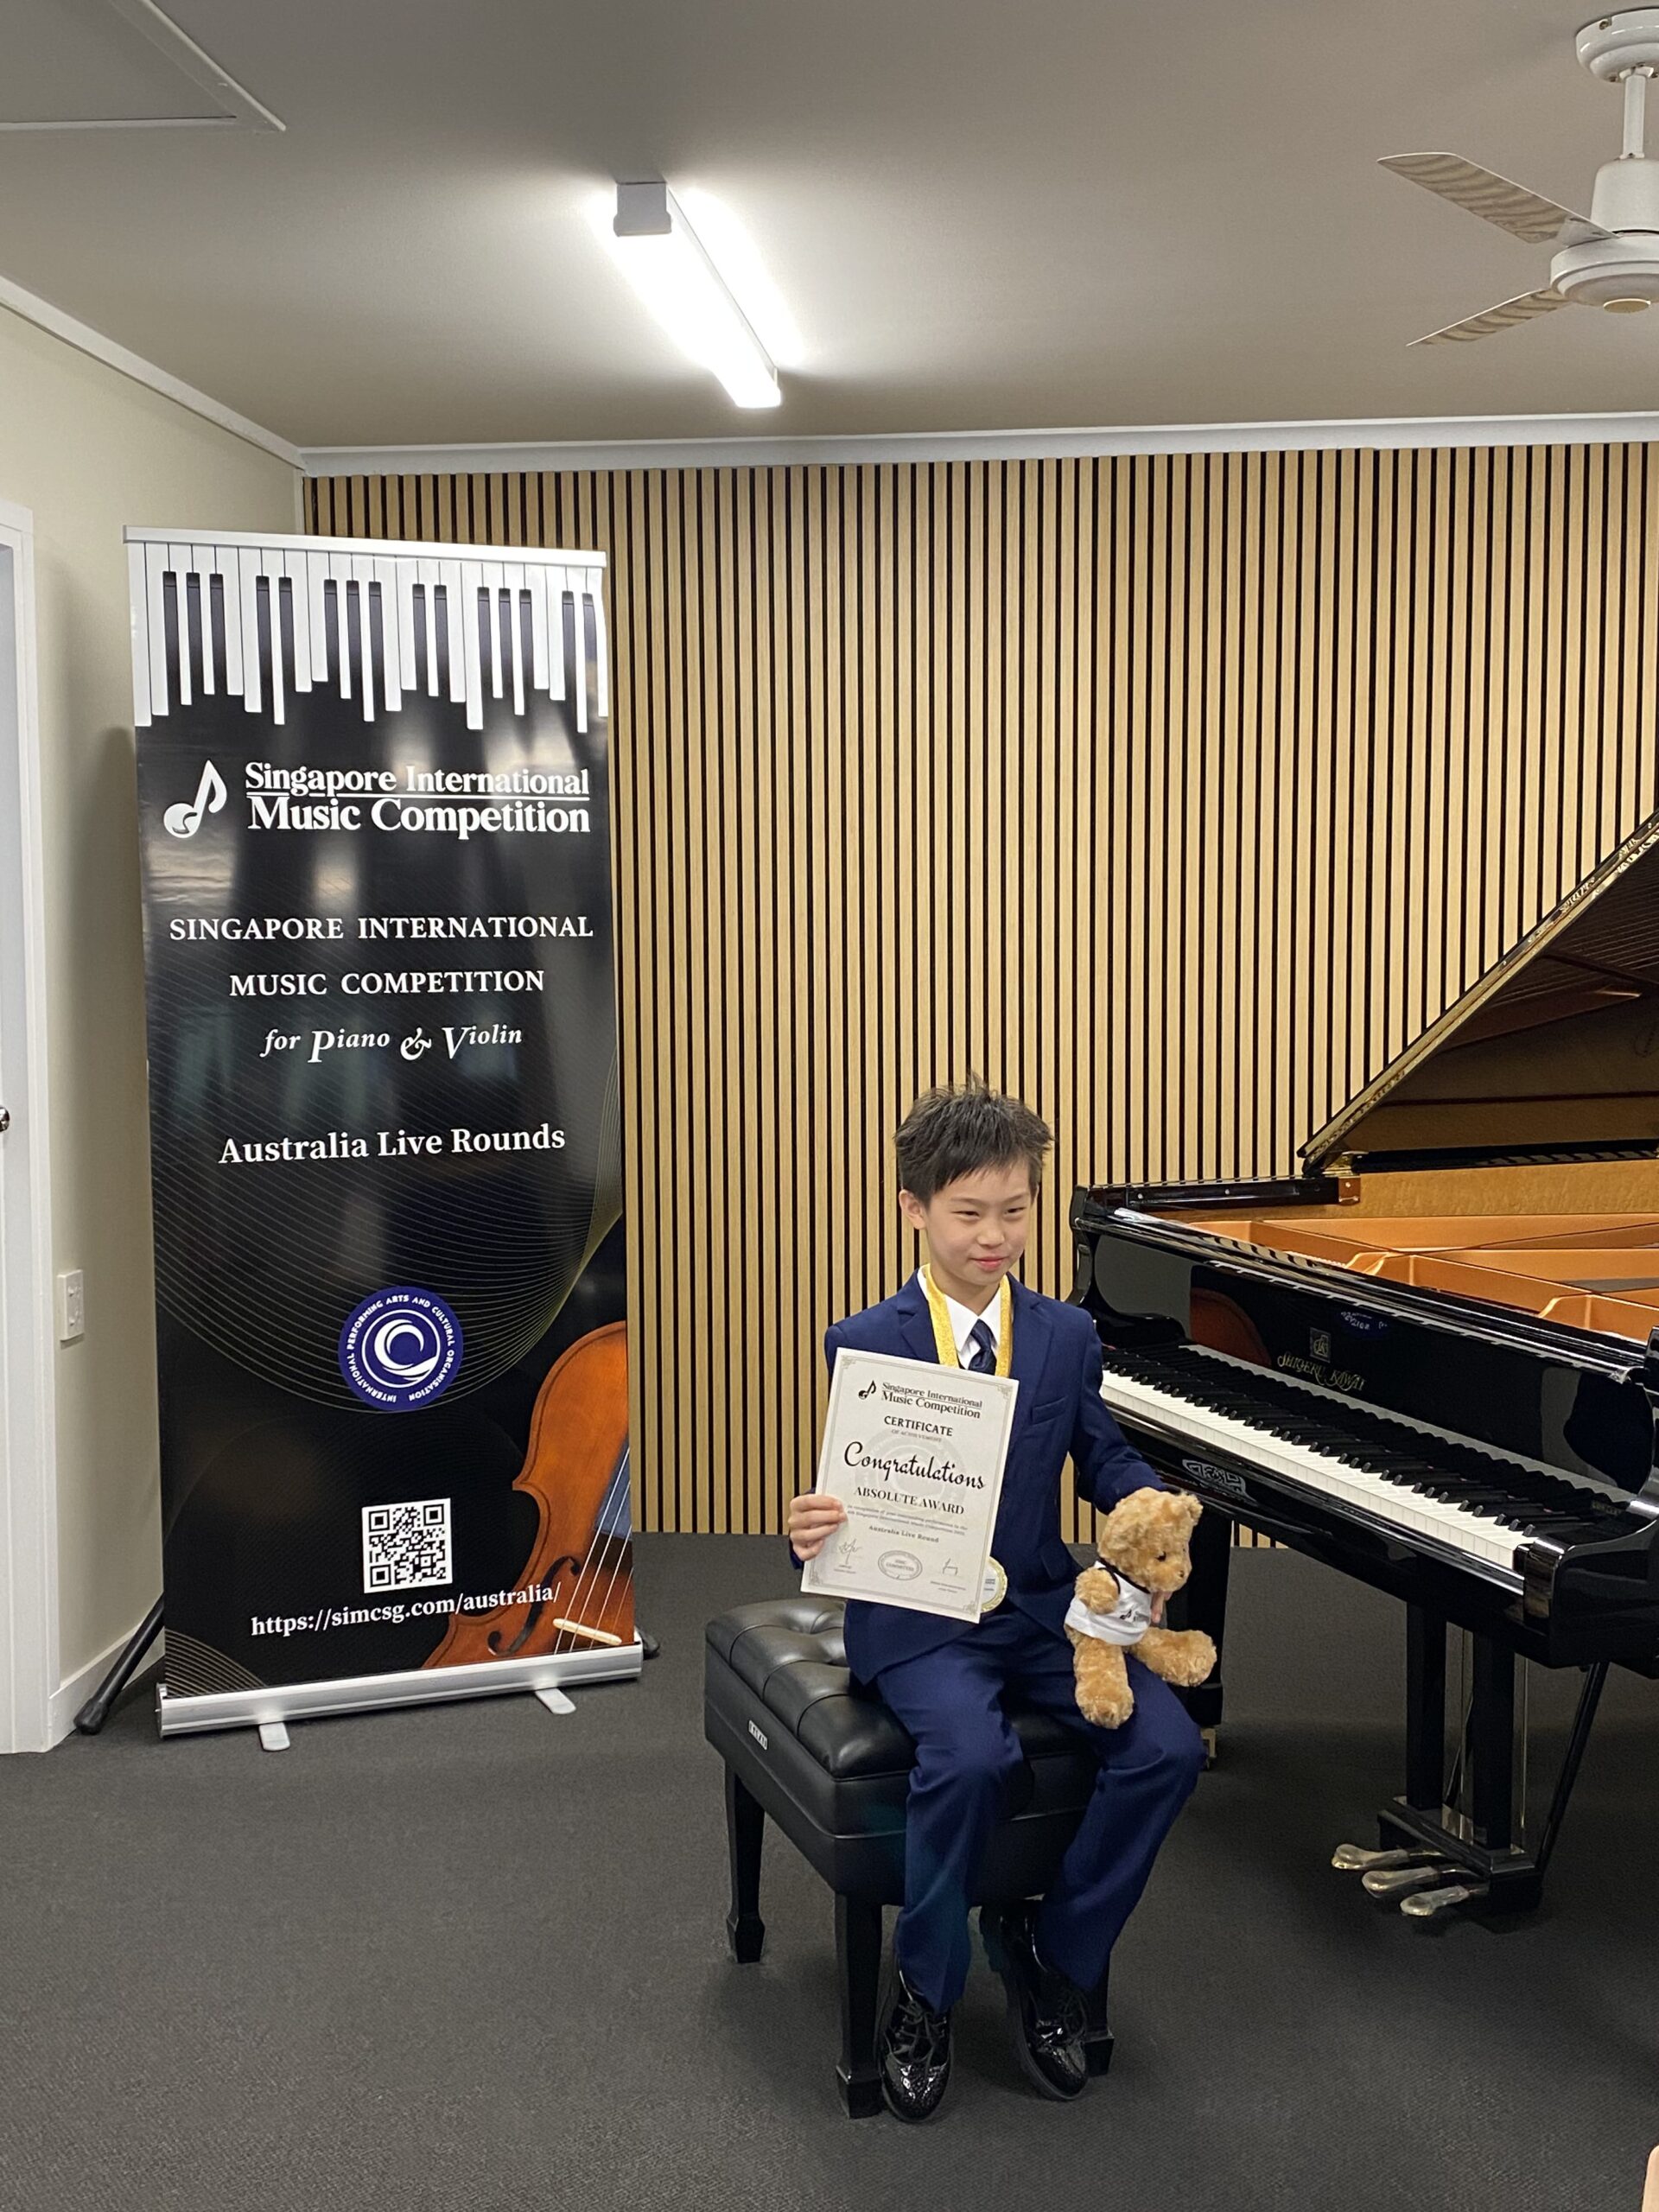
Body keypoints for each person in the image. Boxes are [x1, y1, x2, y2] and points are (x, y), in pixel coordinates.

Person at [788, 1083, 1205, 2122]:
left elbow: (1101, 1454)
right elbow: (854, 1491)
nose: (994, 1235)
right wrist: (810, 1524)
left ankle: (1050, 1952)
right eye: (969, 1212)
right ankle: (926, 1992)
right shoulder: (864, 1340)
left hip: (1039, 1609)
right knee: (971, 1759)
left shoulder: (1064, 1335)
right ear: (913, 1208)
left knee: (1167, 1747)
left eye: (1014, 1211)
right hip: (918, 1621)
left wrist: (1143, 1503)